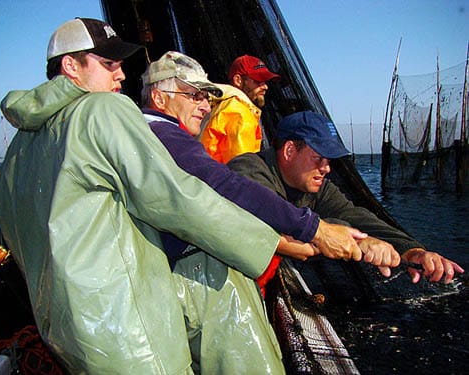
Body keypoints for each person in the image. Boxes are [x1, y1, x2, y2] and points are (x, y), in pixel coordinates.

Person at [0, 19, 319, 374]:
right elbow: (176, 199)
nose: (121, 76)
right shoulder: (102, 110)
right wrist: (274, 242)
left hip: (67, 333)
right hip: (130, 331)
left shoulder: (16, 153)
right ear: (71, 66)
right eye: (108, 64)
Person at [140, 51, 399, 373]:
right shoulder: (167, 136)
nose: (206, 106)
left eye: (207, 98)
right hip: (190, 277)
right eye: (195, 96)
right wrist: (318, 231)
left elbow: (350, 212)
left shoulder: (159, 137)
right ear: (159, 98)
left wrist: (409, 247)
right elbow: (229, 188)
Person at [228, 111, 465, 284]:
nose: (326, 168)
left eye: (329, 161)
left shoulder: (317, 187)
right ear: (290, 150)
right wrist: (360, 243)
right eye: (319, 158)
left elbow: (356, 216)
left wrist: (412, 251)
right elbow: (271, 224)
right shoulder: (248, 168)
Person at [200, 54, 280, 163]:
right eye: (258, 80)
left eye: (265, 81)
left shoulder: (221, 105)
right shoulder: (240, 113)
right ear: (238, 80)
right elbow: (243, 168)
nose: (265, 87)